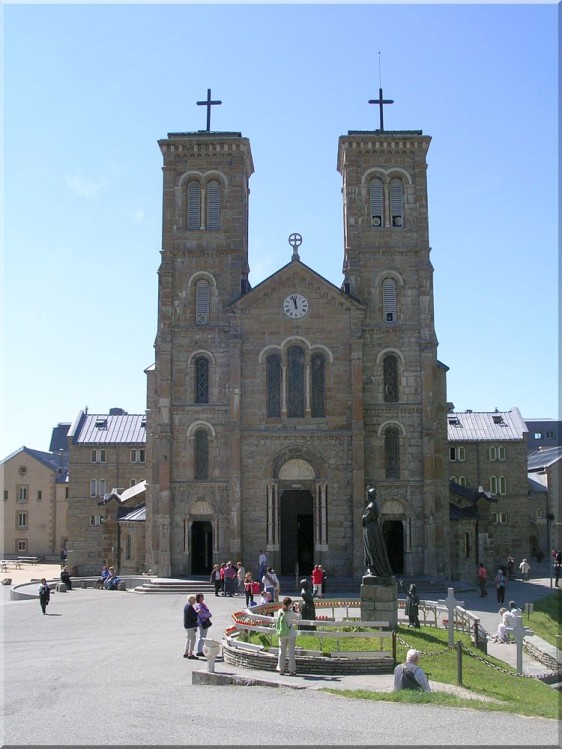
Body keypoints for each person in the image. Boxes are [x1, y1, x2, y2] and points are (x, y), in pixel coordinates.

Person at [362, 486, 394, 577]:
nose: (366, 497)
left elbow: (366, 518)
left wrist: (363, 517)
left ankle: (375, 569)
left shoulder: (371, 506)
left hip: (371, 530)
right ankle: (372, 569)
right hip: (372, 529)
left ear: (370, 496)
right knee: (372, 549)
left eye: (367, 495)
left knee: (372, 550)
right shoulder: (373, 505)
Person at [275, 596, 301, 676]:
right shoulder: (291, 613)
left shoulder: (280, 611)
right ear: (290, 604)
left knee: (281, 652)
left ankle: (281, 669)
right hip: (290, 634)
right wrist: (298, 609)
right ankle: (291, 670)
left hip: (282, 633)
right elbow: (299, 618)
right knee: (291, 652)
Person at [194, 592, 212, 657]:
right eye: (201, 597)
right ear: (198, 598)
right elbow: (202, 614)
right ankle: (199, 651)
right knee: (201, 636)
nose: (202, 598)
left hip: (205, 622)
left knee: (204, 637)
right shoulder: (198, 605)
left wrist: (208, 614)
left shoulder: (203, 605)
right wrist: (208, 615)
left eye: (202, 596)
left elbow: (208, 612)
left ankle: (201, 650)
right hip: (202, 622)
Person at [183, 594, 199, 659]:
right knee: (193, 639)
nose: (195, 601)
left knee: (188, 638)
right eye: (194, 600)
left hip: (187, 625)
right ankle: (190, 653)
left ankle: (186, 651)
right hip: (190, 625)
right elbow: (193, 616)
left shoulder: (186, 605)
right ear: (191, 600)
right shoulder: (189, 606)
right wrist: (198, 612)